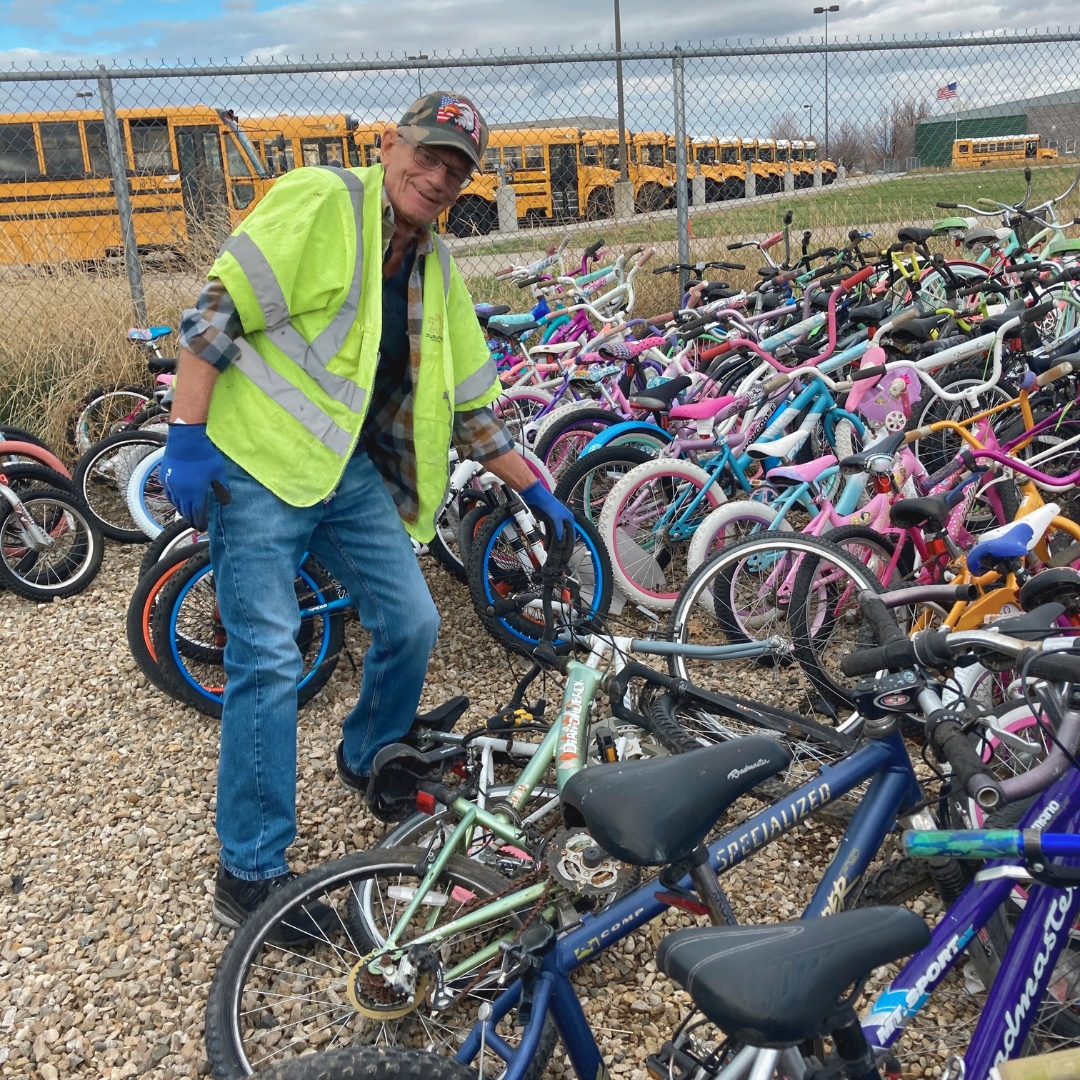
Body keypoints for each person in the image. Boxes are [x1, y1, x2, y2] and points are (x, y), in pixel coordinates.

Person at [161, 91, 574, 930]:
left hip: (342, 473)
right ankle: (249, 877)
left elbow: (469, 402)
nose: (438, 176)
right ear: (390, 146)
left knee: (413, 621)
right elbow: (216, 315)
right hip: (258, 464)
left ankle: (367, 751)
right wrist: (185, 436)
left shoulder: (436, 263)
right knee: (270, 660)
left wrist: (531, 484)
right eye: (427, 155)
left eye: (456, 168)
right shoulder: (323, 201)